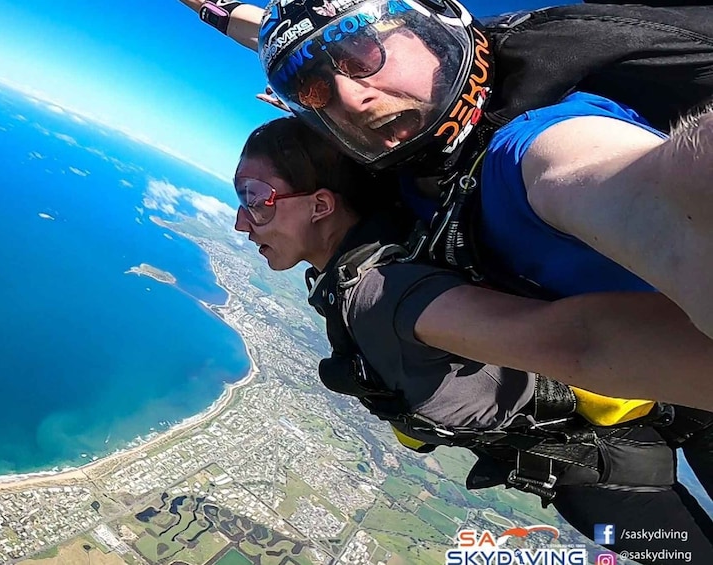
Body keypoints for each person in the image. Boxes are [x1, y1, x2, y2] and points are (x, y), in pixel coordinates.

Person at [178, 0, 713, 415]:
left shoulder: (535, 147)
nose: (350, 96)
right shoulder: (421, 166)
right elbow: (289, 42)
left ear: (436, 28)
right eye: (318, 92)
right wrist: (210, 12)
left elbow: (650, 188)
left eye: (361, 55)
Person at [234, 116, 713, 562]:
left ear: (321, 204)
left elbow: (577, 343)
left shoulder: (382, 292)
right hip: (599, 459)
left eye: (255, 198)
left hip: (608, 472)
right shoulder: (353, 275)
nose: (241, 220)